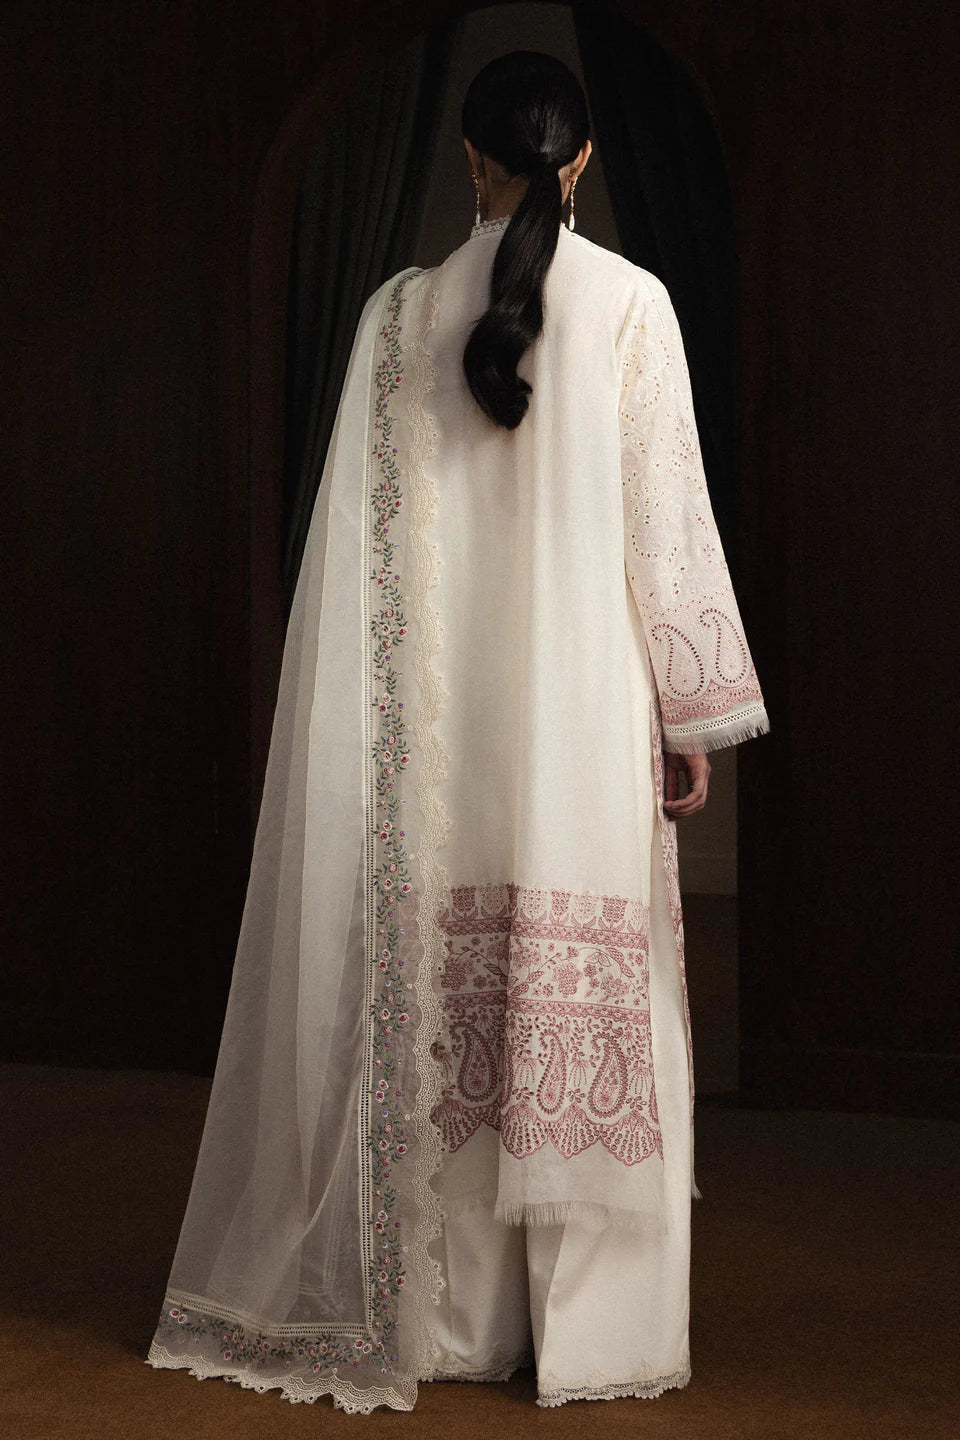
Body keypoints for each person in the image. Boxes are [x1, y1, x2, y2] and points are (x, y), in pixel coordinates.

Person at [146, 51, 769, 1414]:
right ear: (581, 160)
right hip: (582, 710)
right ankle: (594, 1342)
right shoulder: (632, 306)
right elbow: (667, 523)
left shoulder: (398, 318)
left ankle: (450, 1323)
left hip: (437, 733)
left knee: (448, 997)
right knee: (581, 985)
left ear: (472, 161)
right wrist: (691, 709)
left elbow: (358, 555)